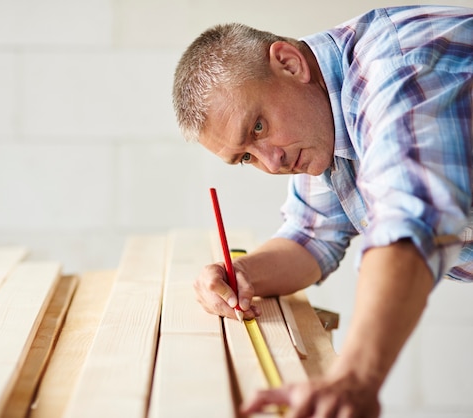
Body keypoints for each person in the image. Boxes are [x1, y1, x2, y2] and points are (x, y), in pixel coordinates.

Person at [172, 5, 473, 417]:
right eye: (246, 157)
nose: (272, 163)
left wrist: (353, 378)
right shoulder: (318, 125)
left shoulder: (397, 71)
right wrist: (240, 276)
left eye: (257, 127)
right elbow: (312, 237)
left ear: (289, 64)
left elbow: (413, 221)